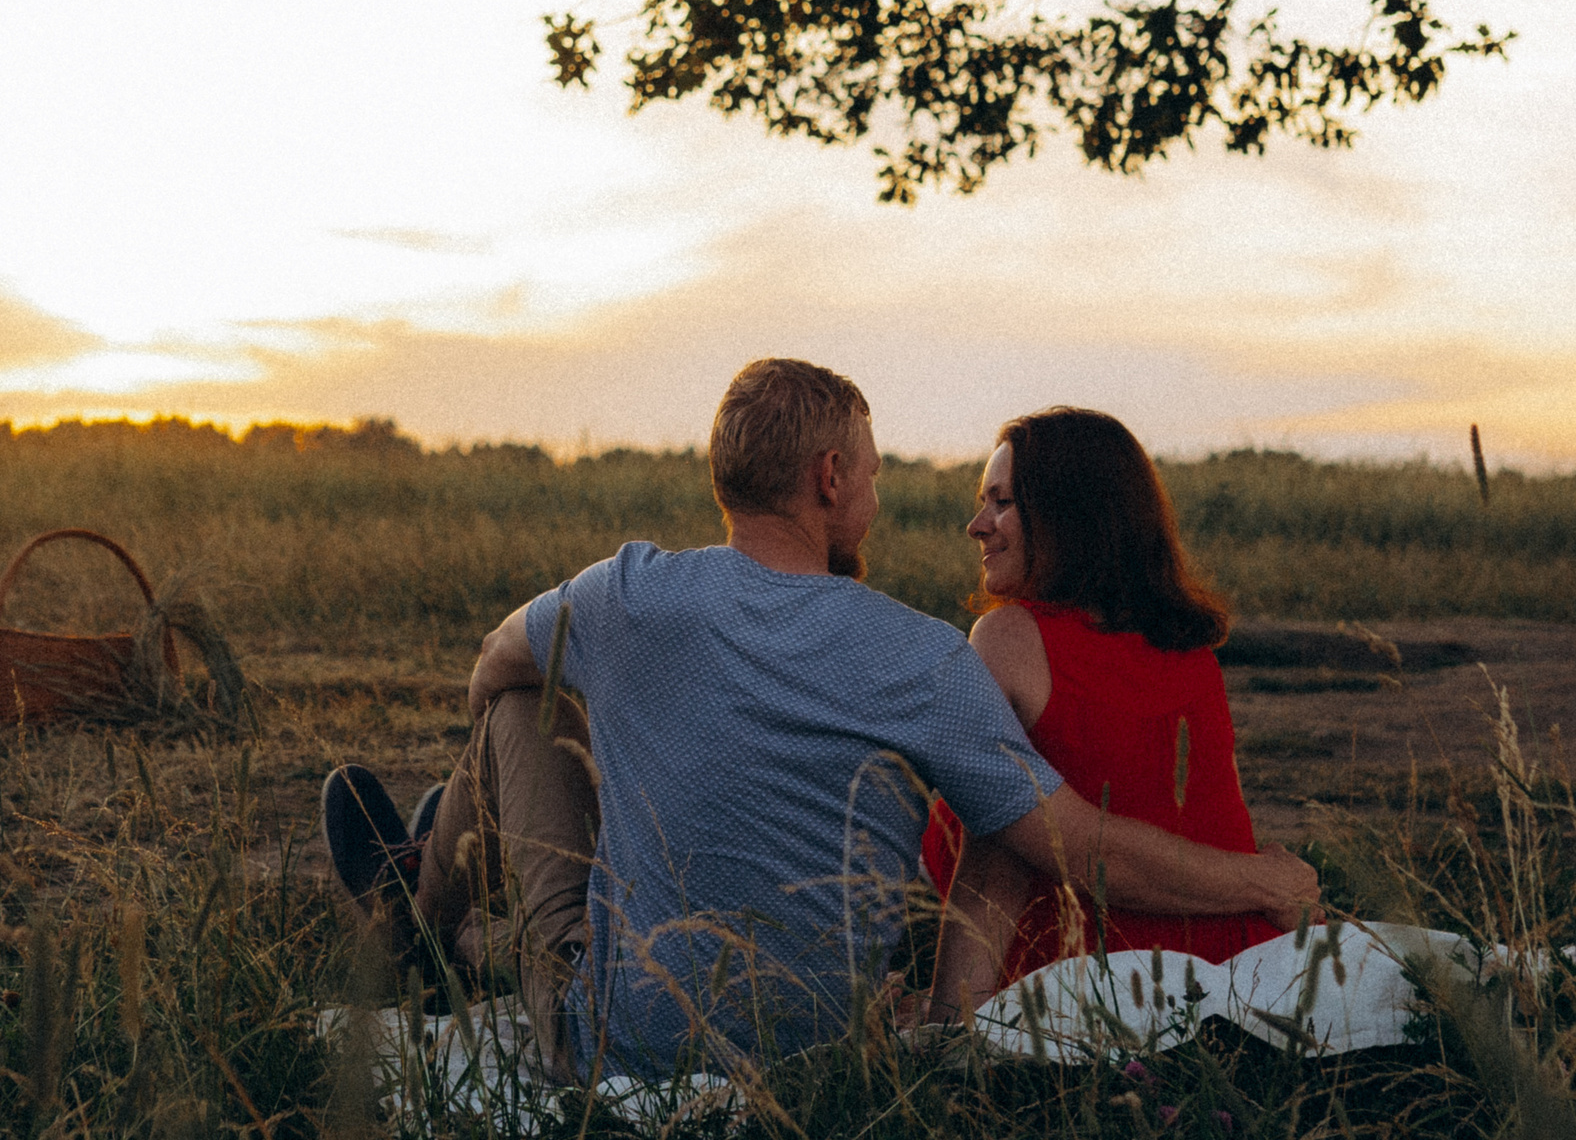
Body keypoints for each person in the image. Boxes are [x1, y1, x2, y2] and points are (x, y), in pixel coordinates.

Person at [320, 358, 1319, 1082]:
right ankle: (433, 906)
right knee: (564, 837)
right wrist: (1262, 877)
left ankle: (419, 907)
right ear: (830, 478)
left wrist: (604, 736)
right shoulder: (924, 655)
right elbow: (1063, 841)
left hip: (617, 1037)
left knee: (519, 714)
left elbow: (489, 668)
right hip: (818, 1047)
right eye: (876, 475)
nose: (881, 497)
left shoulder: (626, 593)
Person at [921, 408, 1279, 1013]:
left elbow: (1013, 866)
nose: (976, 524)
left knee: (1000, 814)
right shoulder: (1191, 652)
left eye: (1002, 502)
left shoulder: (1007, 639)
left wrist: (945, 1022)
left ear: (1068, 516)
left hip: (1096, 981)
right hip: (1243, 959)